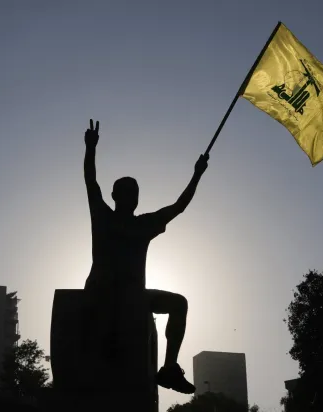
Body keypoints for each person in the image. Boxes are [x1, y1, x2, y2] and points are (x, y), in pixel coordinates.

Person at [83, 119, 208, 394]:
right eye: (127, 192)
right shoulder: (103, 216)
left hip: (132, 296)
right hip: (103, 291)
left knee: (179, 304)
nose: (131, 197)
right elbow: (91, 181)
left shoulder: (142, 224)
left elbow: (179, 206)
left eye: (134, 193)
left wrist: (197, 174)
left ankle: (169, 368)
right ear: (116, 195)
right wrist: (90, 148)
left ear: (137, 199)